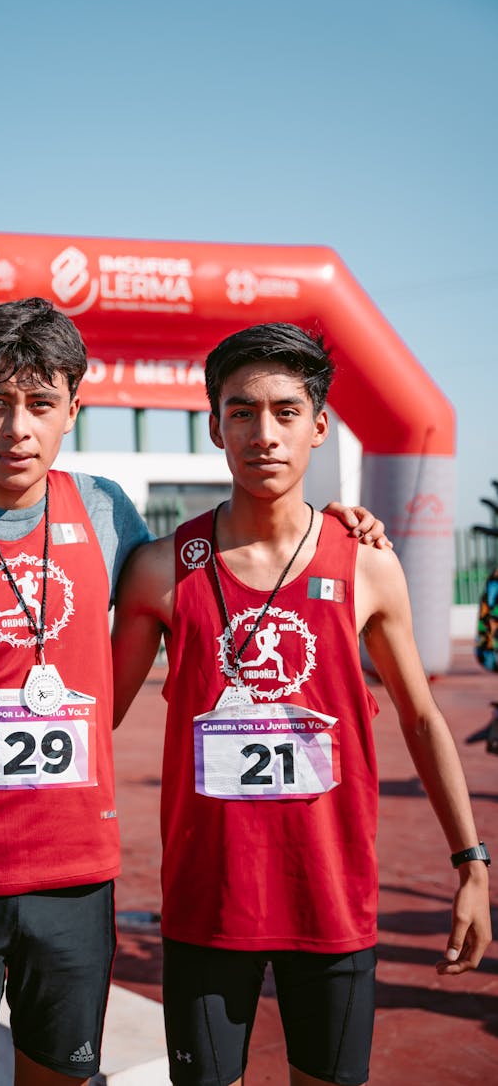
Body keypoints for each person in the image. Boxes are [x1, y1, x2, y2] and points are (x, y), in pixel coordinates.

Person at [0, 297, 386, 1086]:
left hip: (75, 884)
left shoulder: (107, 513)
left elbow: (228, 550)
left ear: (73, 410)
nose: (16, 426)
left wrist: (334, 523)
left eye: (41, 403)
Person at [111, 322, 492, 1086]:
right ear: (215, 424)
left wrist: (471, 863)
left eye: (287, 411)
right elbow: (89, 717)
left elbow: (420, 718)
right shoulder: (160, 570)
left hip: (331, 903)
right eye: (241, 411)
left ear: (320, 426)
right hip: (206, 908)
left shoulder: (369, 565)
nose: (263, 433)